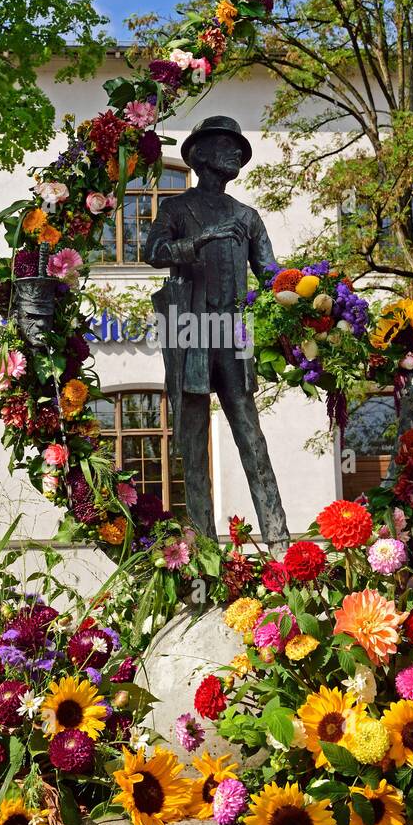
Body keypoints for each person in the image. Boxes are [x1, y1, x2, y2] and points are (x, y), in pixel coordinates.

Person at [143, 115, 289, 555]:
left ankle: (280, 542)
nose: (236, 154)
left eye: (239, 150)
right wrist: (199, 240)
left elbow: (272, 277)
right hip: (189, 330)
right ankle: (203, 549)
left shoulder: (247, 216)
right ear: (202, 154)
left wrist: (312, 301)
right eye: (228, 146)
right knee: (193, 438)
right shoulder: (176, 208)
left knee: (251, 434)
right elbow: (153, 252)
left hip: (233, 333)